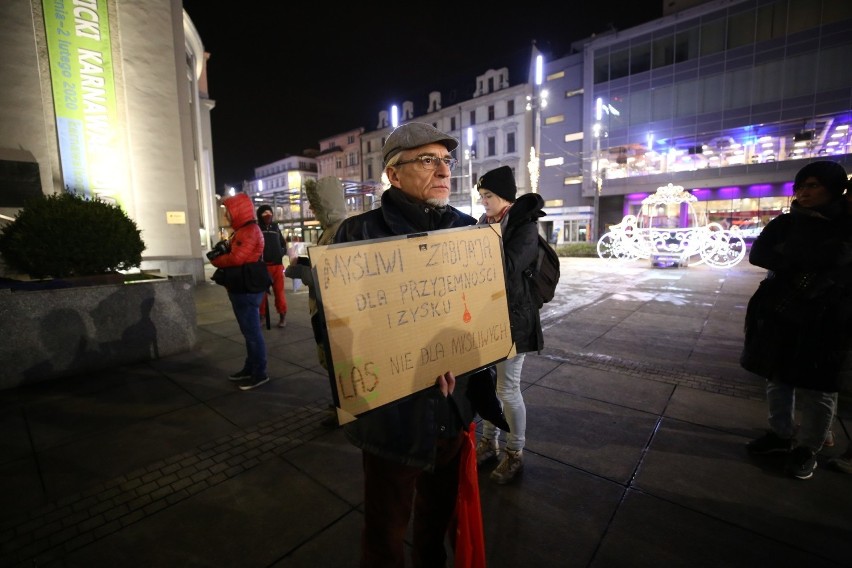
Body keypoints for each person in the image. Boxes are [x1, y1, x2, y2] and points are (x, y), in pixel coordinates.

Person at [332, 122, 503, 567]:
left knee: (435, 529)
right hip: (394, 422)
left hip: (453, 411)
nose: (443, 170)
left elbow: (487, 312)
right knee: (386, 535)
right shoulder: (356, 237)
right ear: (394, 173)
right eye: (428, 160)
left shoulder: (470, 232)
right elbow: (338, 332)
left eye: (445, 161)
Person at [741, 160, 852, 479]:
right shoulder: (785, 223)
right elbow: (759, 254)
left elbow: (841, 267)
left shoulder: (847, 226)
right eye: (800, 186)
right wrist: (807, 264)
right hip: (782, 310)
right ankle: (780, 434)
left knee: (819, 386)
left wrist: (794, 261)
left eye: (812, 185)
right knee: (778, 376)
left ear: (833, 189)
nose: (803, 192)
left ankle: (808, 448)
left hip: (828, 316)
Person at [474, 165, 544, 484]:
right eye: (482, 196)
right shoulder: (483, 223)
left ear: (503, 196)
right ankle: (489, 442)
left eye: (488, 196)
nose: (483, 202)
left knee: (507, 387)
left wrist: (477, 250)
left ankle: (514, 452)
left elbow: (511, 266)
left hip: (514, 320)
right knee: (489, 388)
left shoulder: (524, 225)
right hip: (486, 318)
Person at [285, 176, 347, 426]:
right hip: (324, 309)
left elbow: (335, 276)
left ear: (326, 204)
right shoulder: (333, 229)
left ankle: (344, 410)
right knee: (332, 361)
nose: (312, 209)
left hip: (333, 313)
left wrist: (300, 270)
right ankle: (343, 406)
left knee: (337, 363)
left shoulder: (340, 231)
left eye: (316, 204)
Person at [210, 192, 269, 391]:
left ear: (237, 211)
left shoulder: (249, 231)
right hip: (241, 287)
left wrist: (217, 260)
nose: (226, 216)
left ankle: (259, 373)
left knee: (252, 333)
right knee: (249, 333)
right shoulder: (243, 231)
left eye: (228, 211)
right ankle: (250, 368)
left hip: (246, 289)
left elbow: (236, 259)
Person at [256, 204, 288, 328]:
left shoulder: (275, 227)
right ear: (260, 215)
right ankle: (262, 316)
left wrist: (281, 252)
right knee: (262, 295)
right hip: (262, 267)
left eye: (269, 213)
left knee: (279, 293)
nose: (268, 215)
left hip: (277, 266)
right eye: (264, 213)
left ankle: (282, 316)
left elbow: (283, 243)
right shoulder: (257, 228)